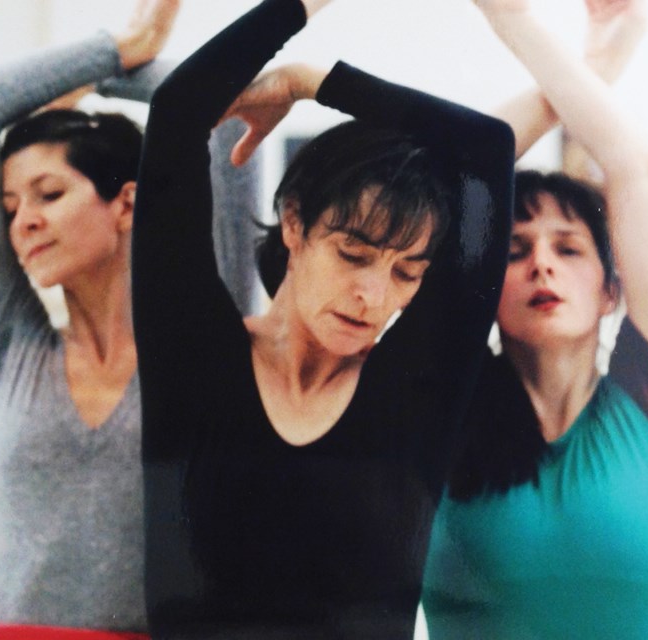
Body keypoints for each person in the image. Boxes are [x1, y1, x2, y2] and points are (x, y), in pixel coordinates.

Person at [130, 0, 515, 637]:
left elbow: (487, 147)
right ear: (295, 223)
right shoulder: (191, 352)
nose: (373, 295)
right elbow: (177, 112)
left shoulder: (420, 386)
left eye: (406, 273)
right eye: (354, 254)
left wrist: (313, 81)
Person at [0, 1, 261, 636]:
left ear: (126, 202)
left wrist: (119, 74)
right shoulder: (5, 340)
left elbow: (232, 111)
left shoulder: (199, 339)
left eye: (49, 195)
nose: (22, 222)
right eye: (8, 207)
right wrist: (119, 45)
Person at [421, 0, 648, 638]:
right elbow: (430, 188)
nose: (542, 267)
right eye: (517, 251)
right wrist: (591, 65)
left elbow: (635, 168)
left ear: (612, 290)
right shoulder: (441, 408)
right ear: (486, 289)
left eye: (568, 248)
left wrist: (521, 23)